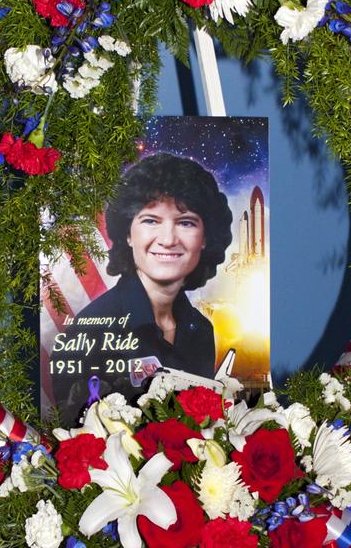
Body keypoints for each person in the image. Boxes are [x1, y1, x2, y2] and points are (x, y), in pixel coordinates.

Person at [53, 152, 233, 423]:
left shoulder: (201, 331)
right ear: (127, 233)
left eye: (186, 222)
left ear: (205, 238)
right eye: (151, 220)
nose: (168, 239)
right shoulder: (91, 330)